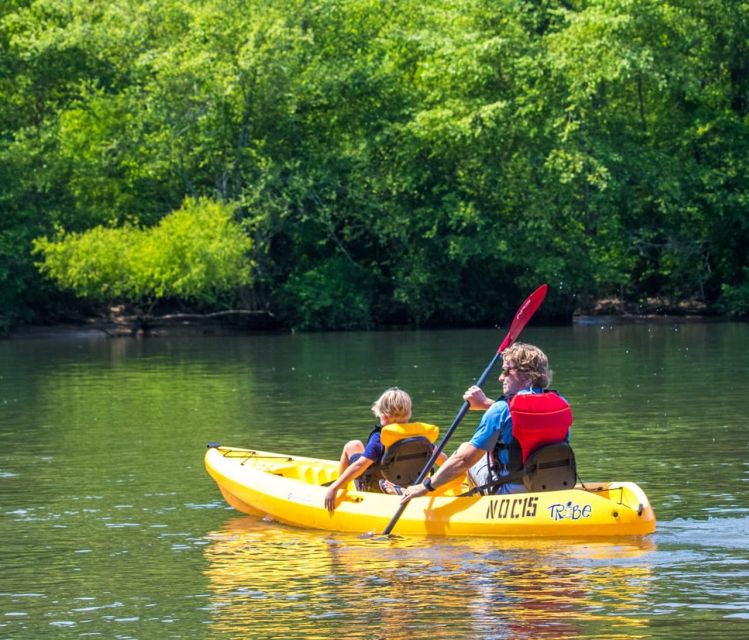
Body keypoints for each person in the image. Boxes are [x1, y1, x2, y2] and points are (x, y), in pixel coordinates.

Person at [400, 342, 569, 503]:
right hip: (554, 484)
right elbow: (525, 416)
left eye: (506, 371)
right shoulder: (561, 402)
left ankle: (441, 497)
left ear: (526, 374)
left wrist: (425, 486)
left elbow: (464, 461)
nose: (501, 378)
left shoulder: (500, 410)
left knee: (464, 452)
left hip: (513, 492)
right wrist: (487, 404)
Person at [324, 388, 412, 512]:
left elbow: (360, 465)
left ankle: (340, 490)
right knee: (356, 445)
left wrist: (334, 487)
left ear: (384, 416)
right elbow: (441, 458)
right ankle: (400, 489)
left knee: (351, 446)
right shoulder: (419, 436)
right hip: (409, 484)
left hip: (376, 486)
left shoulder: (380, 438)